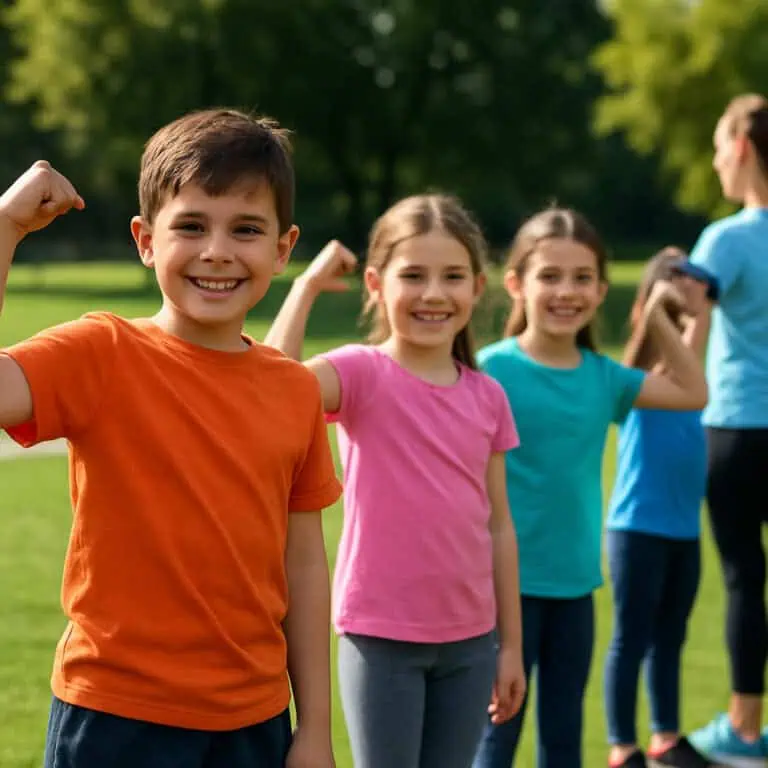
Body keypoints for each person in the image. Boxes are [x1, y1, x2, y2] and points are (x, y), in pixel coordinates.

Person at [0, 109, 342, 768]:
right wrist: (7, 226)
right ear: (145, 239)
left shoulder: (295, 389)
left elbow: (305, 566)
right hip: (115, 715)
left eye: (246, 229)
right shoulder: (103, 352)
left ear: (283, 247)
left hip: (255, 721)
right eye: (190, 225)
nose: (217, 250)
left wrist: (316, 728)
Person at [265, 194, 526, 768]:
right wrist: (305, 286)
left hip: (471, 643)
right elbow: (270, 388)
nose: (434, 293)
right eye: (414, 275)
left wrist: (510, 647)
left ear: (477, 288)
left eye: (452, 276)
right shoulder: (360, 374)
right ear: (377, 284)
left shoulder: (488, 397)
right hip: (379, 636)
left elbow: (500, 527)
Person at [471, 208, 708, 768]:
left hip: (575, 590)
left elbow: (694, 392)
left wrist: (657, 319)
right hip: (500, 592)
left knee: (564, 740)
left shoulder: (604, 378)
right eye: (549, 276)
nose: (566, 291)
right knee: (494, 738)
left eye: (582, 278)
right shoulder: (488, 372)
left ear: (601, 291)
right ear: (516, 285)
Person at [603, 247, 714, 768]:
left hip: (682, 529)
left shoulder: (690, 374)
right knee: (632, 637)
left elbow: (696, 337)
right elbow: (646, 347)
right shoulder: (640, 374)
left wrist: (699, 297)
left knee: (671, 636)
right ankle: (623, 747)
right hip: (637, 528)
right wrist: (659, 297)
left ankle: (665, 737)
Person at [685, 93, 768, 768]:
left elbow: (688, 325)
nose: (715, 162)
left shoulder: (726, 239)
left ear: (741, 146)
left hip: (739, 428)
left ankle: (744, 732)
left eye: (717, 147)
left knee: (745, 577)